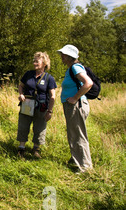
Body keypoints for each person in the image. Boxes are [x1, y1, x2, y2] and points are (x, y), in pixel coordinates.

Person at [57, 44, 93, 173]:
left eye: (63, 54)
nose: (61, 56)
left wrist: (75, 98)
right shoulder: (71, 68)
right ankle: (76, 159)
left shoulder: (75, 67)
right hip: (73, 106)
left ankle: (85, 167)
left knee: (78, 135)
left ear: (68, 56)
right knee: (74, 134)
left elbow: (88, 83)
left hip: (76, 106)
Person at [17, 52, 57, 158]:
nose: (34, 63)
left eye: (37, 61)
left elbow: (53, 96)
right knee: (23, 125)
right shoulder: (28, 74)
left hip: (41, 107)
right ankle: (21, 149)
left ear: (44, 63)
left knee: (39, 128)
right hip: (27, 104)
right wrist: (21, 94)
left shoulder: (49, 78)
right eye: (34, 61)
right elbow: (21, 86)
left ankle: (36, 149)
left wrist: (49, 111)